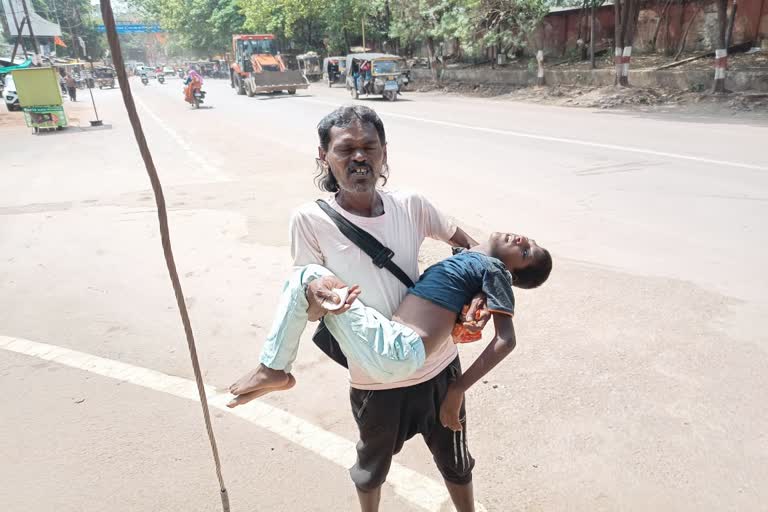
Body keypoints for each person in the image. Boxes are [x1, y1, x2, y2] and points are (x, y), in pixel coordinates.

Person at [229, 105, 537, 511]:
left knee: (456, 461)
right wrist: (324, 297)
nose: (359, 157)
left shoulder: (411, 205)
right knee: (371, 469)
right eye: (346, 148)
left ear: (384, 153)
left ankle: (273, 368)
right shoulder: (309, 221)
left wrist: (477, 297)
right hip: (375, 379)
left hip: (440, 366)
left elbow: (468, 246)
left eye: (369, 147)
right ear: (324, 156)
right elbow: (312, 310)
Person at [228, 232, 550, 398]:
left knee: (307, 276)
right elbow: (465, 245)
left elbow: (506, 340)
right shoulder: (474, 260)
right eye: (529, 241)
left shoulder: (494, 270)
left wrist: (457, 389)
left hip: (397, 349)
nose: (522, 240)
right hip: (389, 350)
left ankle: (272, 368)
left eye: (524, 253)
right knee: (314, 285)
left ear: (512, 274)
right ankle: (274, 368)